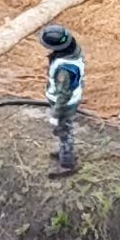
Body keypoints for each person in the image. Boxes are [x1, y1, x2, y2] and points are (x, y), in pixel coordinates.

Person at [39, 22, 87, 175]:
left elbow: (63, 95)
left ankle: (67, 162)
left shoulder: (63, 70)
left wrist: (56, 114)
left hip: (65, 104)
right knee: (64, 130)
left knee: (64, 130)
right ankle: (63, 151)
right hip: (72, 97)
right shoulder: (73, 52)